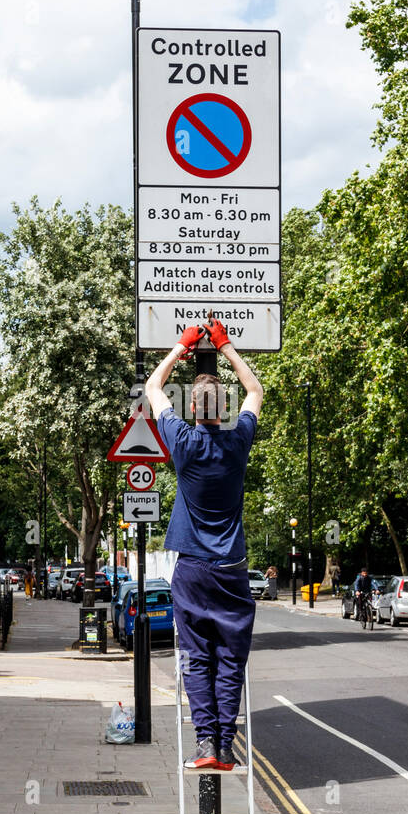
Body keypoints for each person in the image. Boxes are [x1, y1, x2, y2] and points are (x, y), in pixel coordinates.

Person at [146, 317, 263, 772]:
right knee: (230, 657)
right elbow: (256, 390)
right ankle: (228, 744)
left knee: (196, 656)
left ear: (192, 409)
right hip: (232, 567)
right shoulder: (238, 442)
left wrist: (180, 347)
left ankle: (205, 744)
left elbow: (155, 388)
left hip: (192, 569)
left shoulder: (182, 441)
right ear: (224, 408)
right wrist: (226, 347)